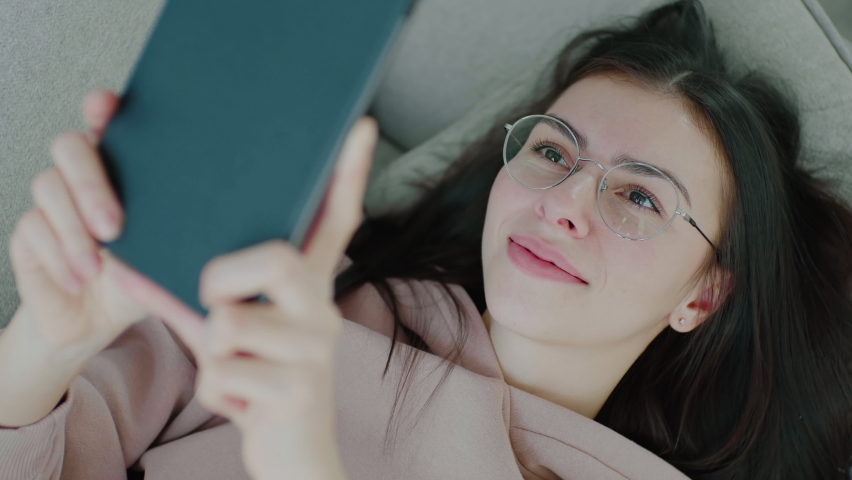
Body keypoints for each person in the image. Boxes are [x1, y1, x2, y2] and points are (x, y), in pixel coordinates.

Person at [0, 0, 850, 479]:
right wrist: (46, 343)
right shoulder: (296, 294)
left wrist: (301, 454)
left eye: (637, 196)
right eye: (553, 151)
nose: (564, 205)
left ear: (701, 295)